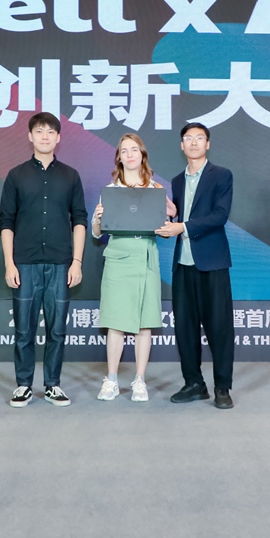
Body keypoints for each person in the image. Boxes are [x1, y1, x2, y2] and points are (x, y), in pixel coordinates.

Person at [0, 112, 87, 408]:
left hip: (61, 264)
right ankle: (23, 385)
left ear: (58, 138)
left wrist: (77, 261)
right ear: (30, 136)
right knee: (24, 329)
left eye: (51, 131)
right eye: (39, 131)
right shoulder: (16, 175)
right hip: (24, 263)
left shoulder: (70, 176)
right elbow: (6, 222)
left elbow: (79, 220)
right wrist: (9, 263)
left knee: (57, 329)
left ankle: (52, 385)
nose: (45, 136)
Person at [156, 122, 235, 409]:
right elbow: (178, 216)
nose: (193, 143)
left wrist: (182, 226)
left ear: (207, 144)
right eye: (188, 138)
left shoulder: (222, 175)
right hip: (183, 263)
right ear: (181, 145)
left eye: (199, 138)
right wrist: (170, 216)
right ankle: (194, 384)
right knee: (185, 328)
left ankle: (222, 387)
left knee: (219, 327)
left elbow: (219, 216)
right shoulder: (177, 181)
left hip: (212, 262)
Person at [91, 133, 176, 402]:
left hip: (146, 256)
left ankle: (140, 380)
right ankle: (112, 379)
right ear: (118, 157)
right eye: (124, 150)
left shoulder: (155, 189)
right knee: (115, 322)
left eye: (134, 150)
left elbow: (168, 224)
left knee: (144, 323)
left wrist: (170, 212)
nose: (129, 155)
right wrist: (97, 220)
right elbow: (97, 233)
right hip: (118, 256)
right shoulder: (111, 190)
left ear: (142, 155)